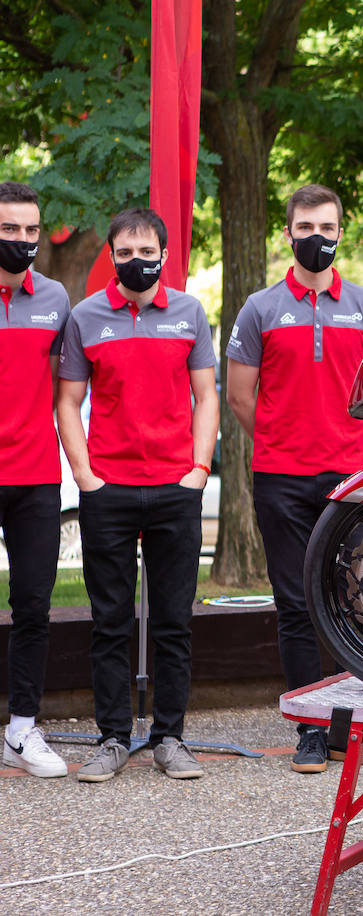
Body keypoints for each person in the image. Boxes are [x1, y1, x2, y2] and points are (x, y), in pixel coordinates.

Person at [226, 184, 363, 774]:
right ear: (288, 234)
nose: (316, 239)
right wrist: (282, 437)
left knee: (359, 601)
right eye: (305, 228)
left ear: (340, 234)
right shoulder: (260, 308)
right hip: (280, 477)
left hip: (351, 478)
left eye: (327, 228)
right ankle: (310, 730)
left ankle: (357, 728)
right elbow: (240, 398)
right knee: (296, 604)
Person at [57, 208, 217, 781]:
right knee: (110, 621)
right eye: (124, 252)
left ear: (165, 255)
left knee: (174, 619)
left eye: (146, 251)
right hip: (110, 490)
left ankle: (170, 736)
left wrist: (198, 470)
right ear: (111, 255)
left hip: (176, 487)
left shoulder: (190, 313)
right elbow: (67, 402)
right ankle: (112, 738)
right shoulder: (85, 317)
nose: (136, 262)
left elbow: (207, 396)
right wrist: (85, 476)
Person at [0, 181, 71, 778]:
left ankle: (21, 728)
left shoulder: (55, 298)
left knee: (32, 606)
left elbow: (59, 390)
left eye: (30, 230)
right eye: (10, 229)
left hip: (35, 476)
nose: (23, 240)